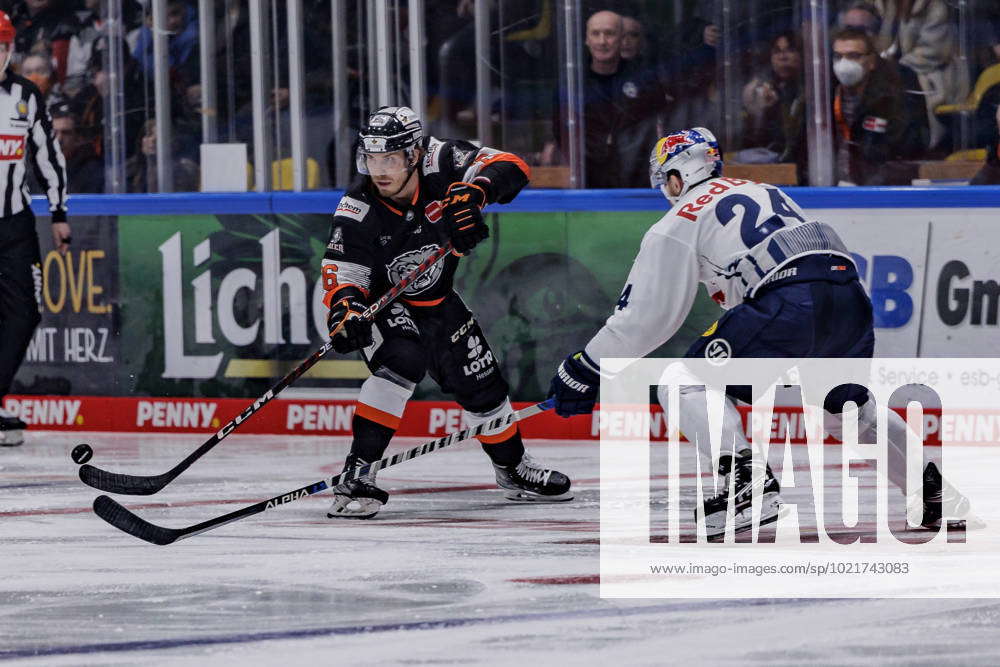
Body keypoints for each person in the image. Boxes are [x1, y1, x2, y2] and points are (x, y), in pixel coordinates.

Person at [546, 127, 977, 537]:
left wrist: (587, 366)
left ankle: (746, 488)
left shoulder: (681, 217)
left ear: (677, 177)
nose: (666, 192)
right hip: (848, 296)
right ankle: (935, 494)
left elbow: (646, 316)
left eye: (666, 181)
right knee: (845, 409)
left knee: (685, 383)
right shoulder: (762, 190)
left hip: (790, 298)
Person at [322, 105, 572, 518]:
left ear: (415, 154)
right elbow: (343, 272)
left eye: (391, 159)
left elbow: (512, 166)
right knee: (403, 360)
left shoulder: (443, 159)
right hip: (386, 302)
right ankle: (358, 473)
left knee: (484, 388)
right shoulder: (358, 207)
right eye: (371, 158)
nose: (379, 170)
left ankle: (512, 470)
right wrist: (346, 310)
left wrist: (476, 192)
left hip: (438, 300)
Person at [0, 11, 69, 445]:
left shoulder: (24, 95)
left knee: (24, 314)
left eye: (1, 47)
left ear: (9, 50)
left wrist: (59, 213)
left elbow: (47, 156)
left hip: (13, 223)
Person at [542, 8, 667, 188]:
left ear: (621, 39)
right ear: (587, 39)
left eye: (609, 34)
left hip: (636, 182)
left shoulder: (644, 79)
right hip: (586, 182)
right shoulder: (572, 83)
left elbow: (658, 126)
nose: (602, 41)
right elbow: (560, 130)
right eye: (595, 34)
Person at [830, 26, 915, 185]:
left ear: (871, 62)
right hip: (831, 192)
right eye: (838, 56)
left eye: (853, 56)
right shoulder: (824, 99)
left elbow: (904, 154)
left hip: (876, 193)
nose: (844, 63)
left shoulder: (890, 101)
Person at [739, 30, 806, 180]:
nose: (783, 57)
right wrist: (757, 113)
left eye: (790, 50)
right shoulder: (763, 89)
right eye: (777, 51)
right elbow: (753, 143)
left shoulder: (812, 90)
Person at [51, 102, 103, 193]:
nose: (58, 139)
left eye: (66, 133)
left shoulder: (93, 172)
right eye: (53, 133)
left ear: (78, 138)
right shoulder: (33, 168)